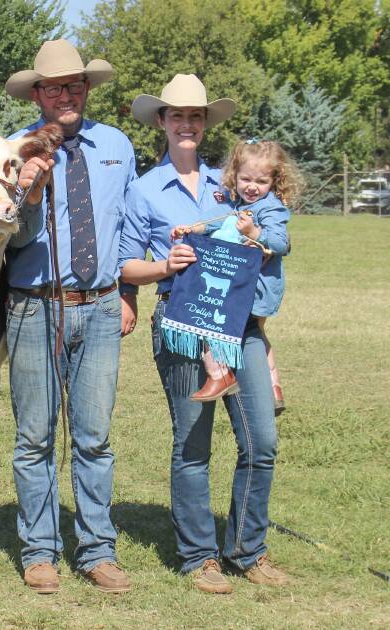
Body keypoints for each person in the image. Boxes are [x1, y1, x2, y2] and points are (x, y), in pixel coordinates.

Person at [121, 74, 289, 594]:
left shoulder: (236, 183)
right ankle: (199, 557)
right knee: (192, 444)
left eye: (196, 116)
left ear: (205, 123)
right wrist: (162, 265)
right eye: (177, 116)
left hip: (242, 328)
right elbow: (125, 266)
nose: (187, 124)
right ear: (162, 123)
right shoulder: (143, 190)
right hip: (181, 324)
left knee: (261, 440)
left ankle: (247, 549)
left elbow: (274, 236)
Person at [1, 38, 137, 595]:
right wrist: (31, 192)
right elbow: (5, 238)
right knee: (35, 436)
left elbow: (127, 224)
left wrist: (128, 290)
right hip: (35, 306)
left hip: (102, 306)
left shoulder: (117, 146)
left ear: (87, 89)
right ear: (37, 93)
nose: (66, 94)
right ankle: (39, 551)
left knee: (95, 436)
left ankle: (97, 550)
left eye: (75, 85)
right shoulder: (12, 149)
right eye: (55, 86)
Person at [174, 139, 299, 413]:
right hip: (240, 286)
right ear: (235, 176)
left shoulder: (271, 209)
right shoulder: (232, 205)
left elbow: (280, 243)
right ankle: (273, 385)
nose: (252, 186)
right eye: (245, 179)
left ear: (274, 181)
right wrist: (189, 230)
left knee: (209, 319)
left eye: (261, 181)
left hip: (255, 289)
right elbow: (209, 223)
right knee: (256, 334)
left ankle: (219, 374)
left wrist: (255, 234)